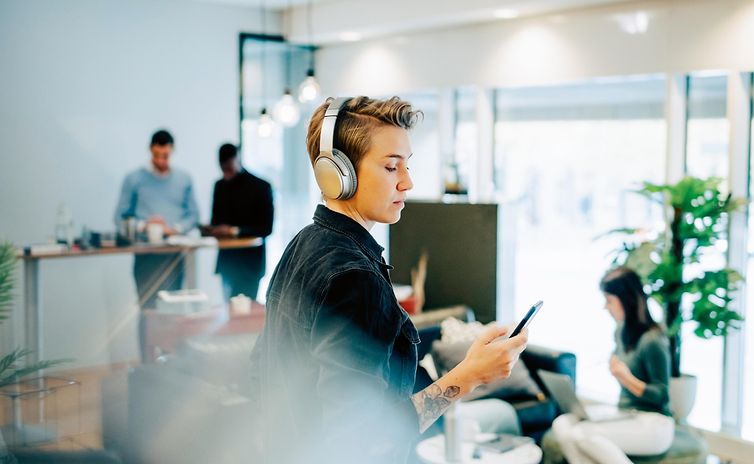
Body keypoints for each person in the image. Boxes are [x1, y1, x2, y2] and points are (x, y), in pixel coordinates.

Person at [252, 96, 529, 464]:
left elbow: (263, 370)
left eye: (407, 166)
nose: (407, 182)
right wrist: (471, 375)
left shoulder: (303, 243)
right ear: (337, 173)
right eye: (391, 167)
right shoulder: (354, 279)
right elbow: (364, 439)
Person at [551, 267, 674, 464]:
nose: (605, 307)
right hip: (626, 414)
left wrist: (627, 378)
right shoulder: (621, 332)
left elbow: (662, 396)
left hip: (655, 423)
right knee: (562, 424)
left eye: (609, 300)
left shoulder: (652, 340)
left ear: (627, 300)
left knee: (582, 434)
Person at [114, 129, 199, 358]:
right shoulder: (134, 179)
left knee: (174, 311)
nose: (161, 161)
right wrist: (145, 225)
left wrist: (174, 228)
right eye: (157, 155)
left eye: (166, 155)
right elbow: (120, 218)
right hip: (146, 256)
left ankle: (173, 363)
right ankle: (147, 364)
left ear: (172, 151)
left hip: (174, 256)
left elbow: (193, 216)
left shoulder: (183, 179)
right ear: (150, 151)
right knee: (148, 312)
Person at [206, 143, 273, 302]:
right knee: (227, 310)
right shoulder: (219, 186)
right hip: (227, 261)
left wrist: (234, 231)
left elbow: (266, 228)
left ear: (238, 160)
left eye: (229, 168)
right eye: (223, 169)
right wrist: (213, 229)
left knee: (244, 314)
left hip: (250, 263)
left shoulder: (261, 187)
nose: (226, 174)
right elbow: (215, 220)